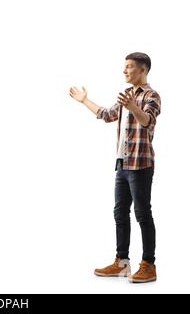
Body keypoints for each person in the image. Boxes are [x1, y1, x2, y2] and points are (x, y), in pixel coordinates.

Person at [69, 52, 161, 283]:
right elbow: (106, 114)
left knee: (142, 214)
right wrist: (84, 101)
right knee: (120, 213)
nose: (124, 71)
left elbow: (147, 121)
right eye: (124, 66)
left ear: (142, 69)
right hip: (122, 164)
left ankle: (149, 265)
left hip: (140, 164)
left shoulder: (151, 95)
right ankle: (122, 264)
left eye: (129, 67)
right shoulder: (126, 95)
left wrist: (133, 106)